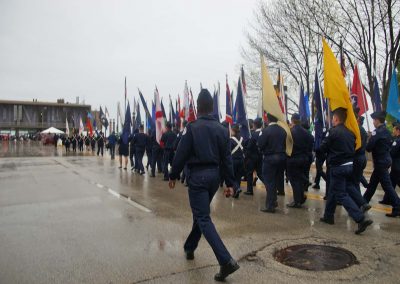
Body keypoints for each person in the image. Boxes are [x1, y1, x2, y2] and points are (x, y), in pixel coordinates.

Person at [168, 89, 239, 282]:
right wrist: (231, 183)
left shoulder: (192, 127)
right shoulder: (222, 129)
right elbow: (227, 160)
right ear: (212, 108)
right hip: (214, 177)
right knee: (200, 213)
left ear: (198, 108)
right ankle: (190, 247)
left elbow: (181, 153)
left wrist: (173, 174)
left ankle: (226, 261)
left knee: (203, 217)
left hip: (198, 177)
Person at [319, 107, 373, 234]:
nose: (332, 120)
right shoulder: (351, 133)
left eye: (333, 118)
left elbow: (322, 148)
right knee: (333, 190)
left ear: (336, 119)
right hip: (348, 166)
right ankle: (328, 216)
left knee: (341, 194)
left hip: (337, 167)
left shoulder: (333, 132)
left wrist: (321, 149)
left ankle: (360, 219)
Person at [363, 111, 400, 217]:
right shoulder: (388, 132)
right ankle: (363, 203)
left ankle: (397, 206)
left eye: (373, 120)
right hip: (386, 160)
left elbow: (369, 148)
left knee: (387, 186)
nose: (373, 122)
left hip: (380, 162)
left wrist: (369, 140)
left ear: (377, 120)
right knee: (373, 184)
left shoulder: (377, 132)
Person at [258, 113, 287, 213]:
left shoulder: (265, 131)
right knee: (276, 180)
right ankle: (273, 201)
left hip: (270, 158)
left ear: (268, 120)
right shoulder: (283, 130)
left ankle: (270, 205)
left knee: (269, 182)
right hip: (282, 158)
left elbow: (260, 144)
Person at [286, 114, 314, 208]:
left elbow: (287, 146)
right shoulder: (306, 132)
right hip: (304, 158)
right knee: (299, 179)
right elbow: (311, 141)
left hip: (293, 159)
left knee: (294, 181)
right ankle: (301, 196)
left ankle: (297, 201)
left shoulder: (290, 132)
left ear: (292, 120)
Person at [244, 118, 263, 195]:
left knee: (249, 173)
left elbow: (249, 147)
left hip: (252, 157)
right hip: (260, 156)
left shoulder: (253, 135)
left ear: (254, 125)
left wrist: (246, 156)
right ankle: (269, 186)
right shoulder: (263, 133)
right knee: (260, 173)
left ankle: (249, 190)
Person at [230, 124, 244, 198]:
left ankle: (237, 188)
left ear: (233, 130)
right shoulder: (242, 138)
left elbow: (228, 151)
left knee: (232, 176)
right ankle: (236, 194)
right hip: (241, 160)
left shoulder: (231, 140)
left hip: (233, 160)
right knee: (238, 177)